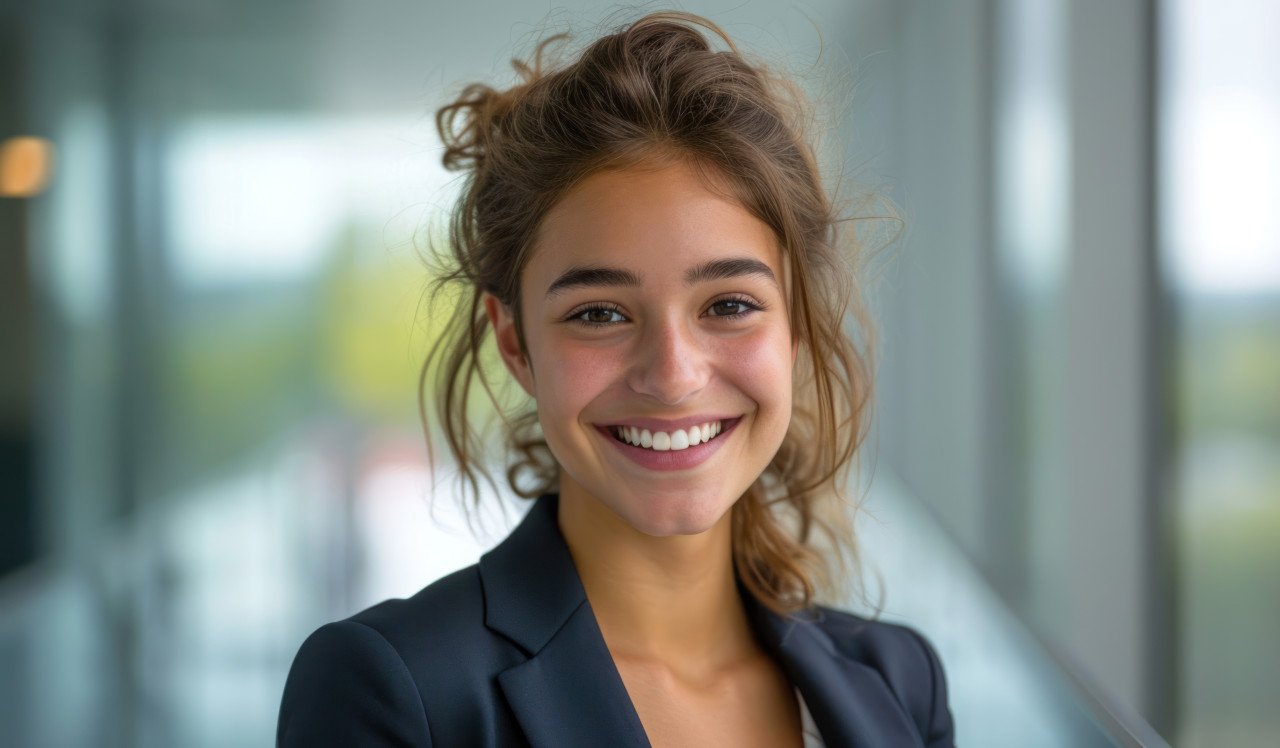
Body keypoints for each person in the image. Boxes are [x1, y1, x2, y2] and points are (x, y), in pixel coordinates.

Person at [278, 11, 955, 747]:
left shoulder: (899, 680)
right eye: (599, 313)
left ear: (793, 327)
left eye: (729, 305)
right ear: (515, 343)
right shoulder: (396, 690)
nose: (672, 376)